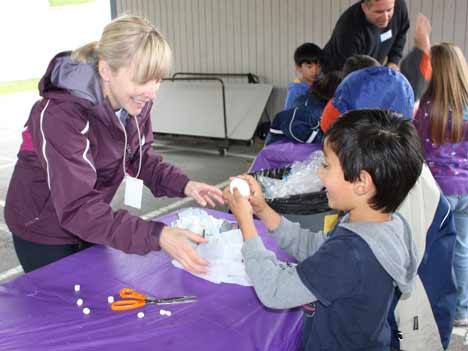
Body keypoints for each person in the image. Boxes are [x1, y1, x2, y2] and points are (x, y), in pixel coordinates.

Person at [4, 15, 223, 273]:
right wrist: (158, 235)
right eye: (142, 80)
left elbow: (140, 158)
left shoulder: (135, 104)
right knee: (65, 306)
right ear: (106, 71)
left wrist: (184, 184)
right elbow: (77, 206)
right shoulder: (60, 114)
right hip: (43, 228)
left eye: (158, 80)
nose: (153, 93)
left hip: (90, 220)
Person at [225, 109, 424, 350]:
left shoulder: (352, 253)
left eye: (327, 166)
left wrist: (246, 224)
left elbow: (275, 290)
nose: (320, 173)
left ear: (361, 183)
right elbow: (316, 248)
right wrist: (263, 210)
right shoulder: (384, 225)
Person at [413, 42, 468, 327]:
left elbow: (418, 148)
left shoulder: (427, 107)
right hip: (466, 189)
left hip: (438, 191)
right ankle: (462, 310)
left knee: (434, 250)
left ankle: (432, 307)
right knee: (462, 249)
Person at [322, 0, 409, 73]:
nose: (385, 18)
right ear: (364, 8)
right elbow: (352, 75)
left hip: (369, 68)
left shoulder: (399, 7)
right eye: (379, 12)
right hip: (336, 75)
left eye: (389, 10)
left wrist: (393, 61)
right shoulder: (349, 28)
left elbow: (401, 33)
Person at [267, 71, 342, 145]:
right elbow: (292, 126)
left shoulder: (309, 102)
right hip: (278, 148)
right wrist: (324, 140)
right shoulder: (311, 108)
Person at [283, 42, 322, 110]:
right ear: (298, 68)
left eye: (318, 66)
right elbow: (287, 113)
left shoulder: (322, 84)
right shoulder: (295, 90)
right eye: (309, 67)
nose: (315, 71)